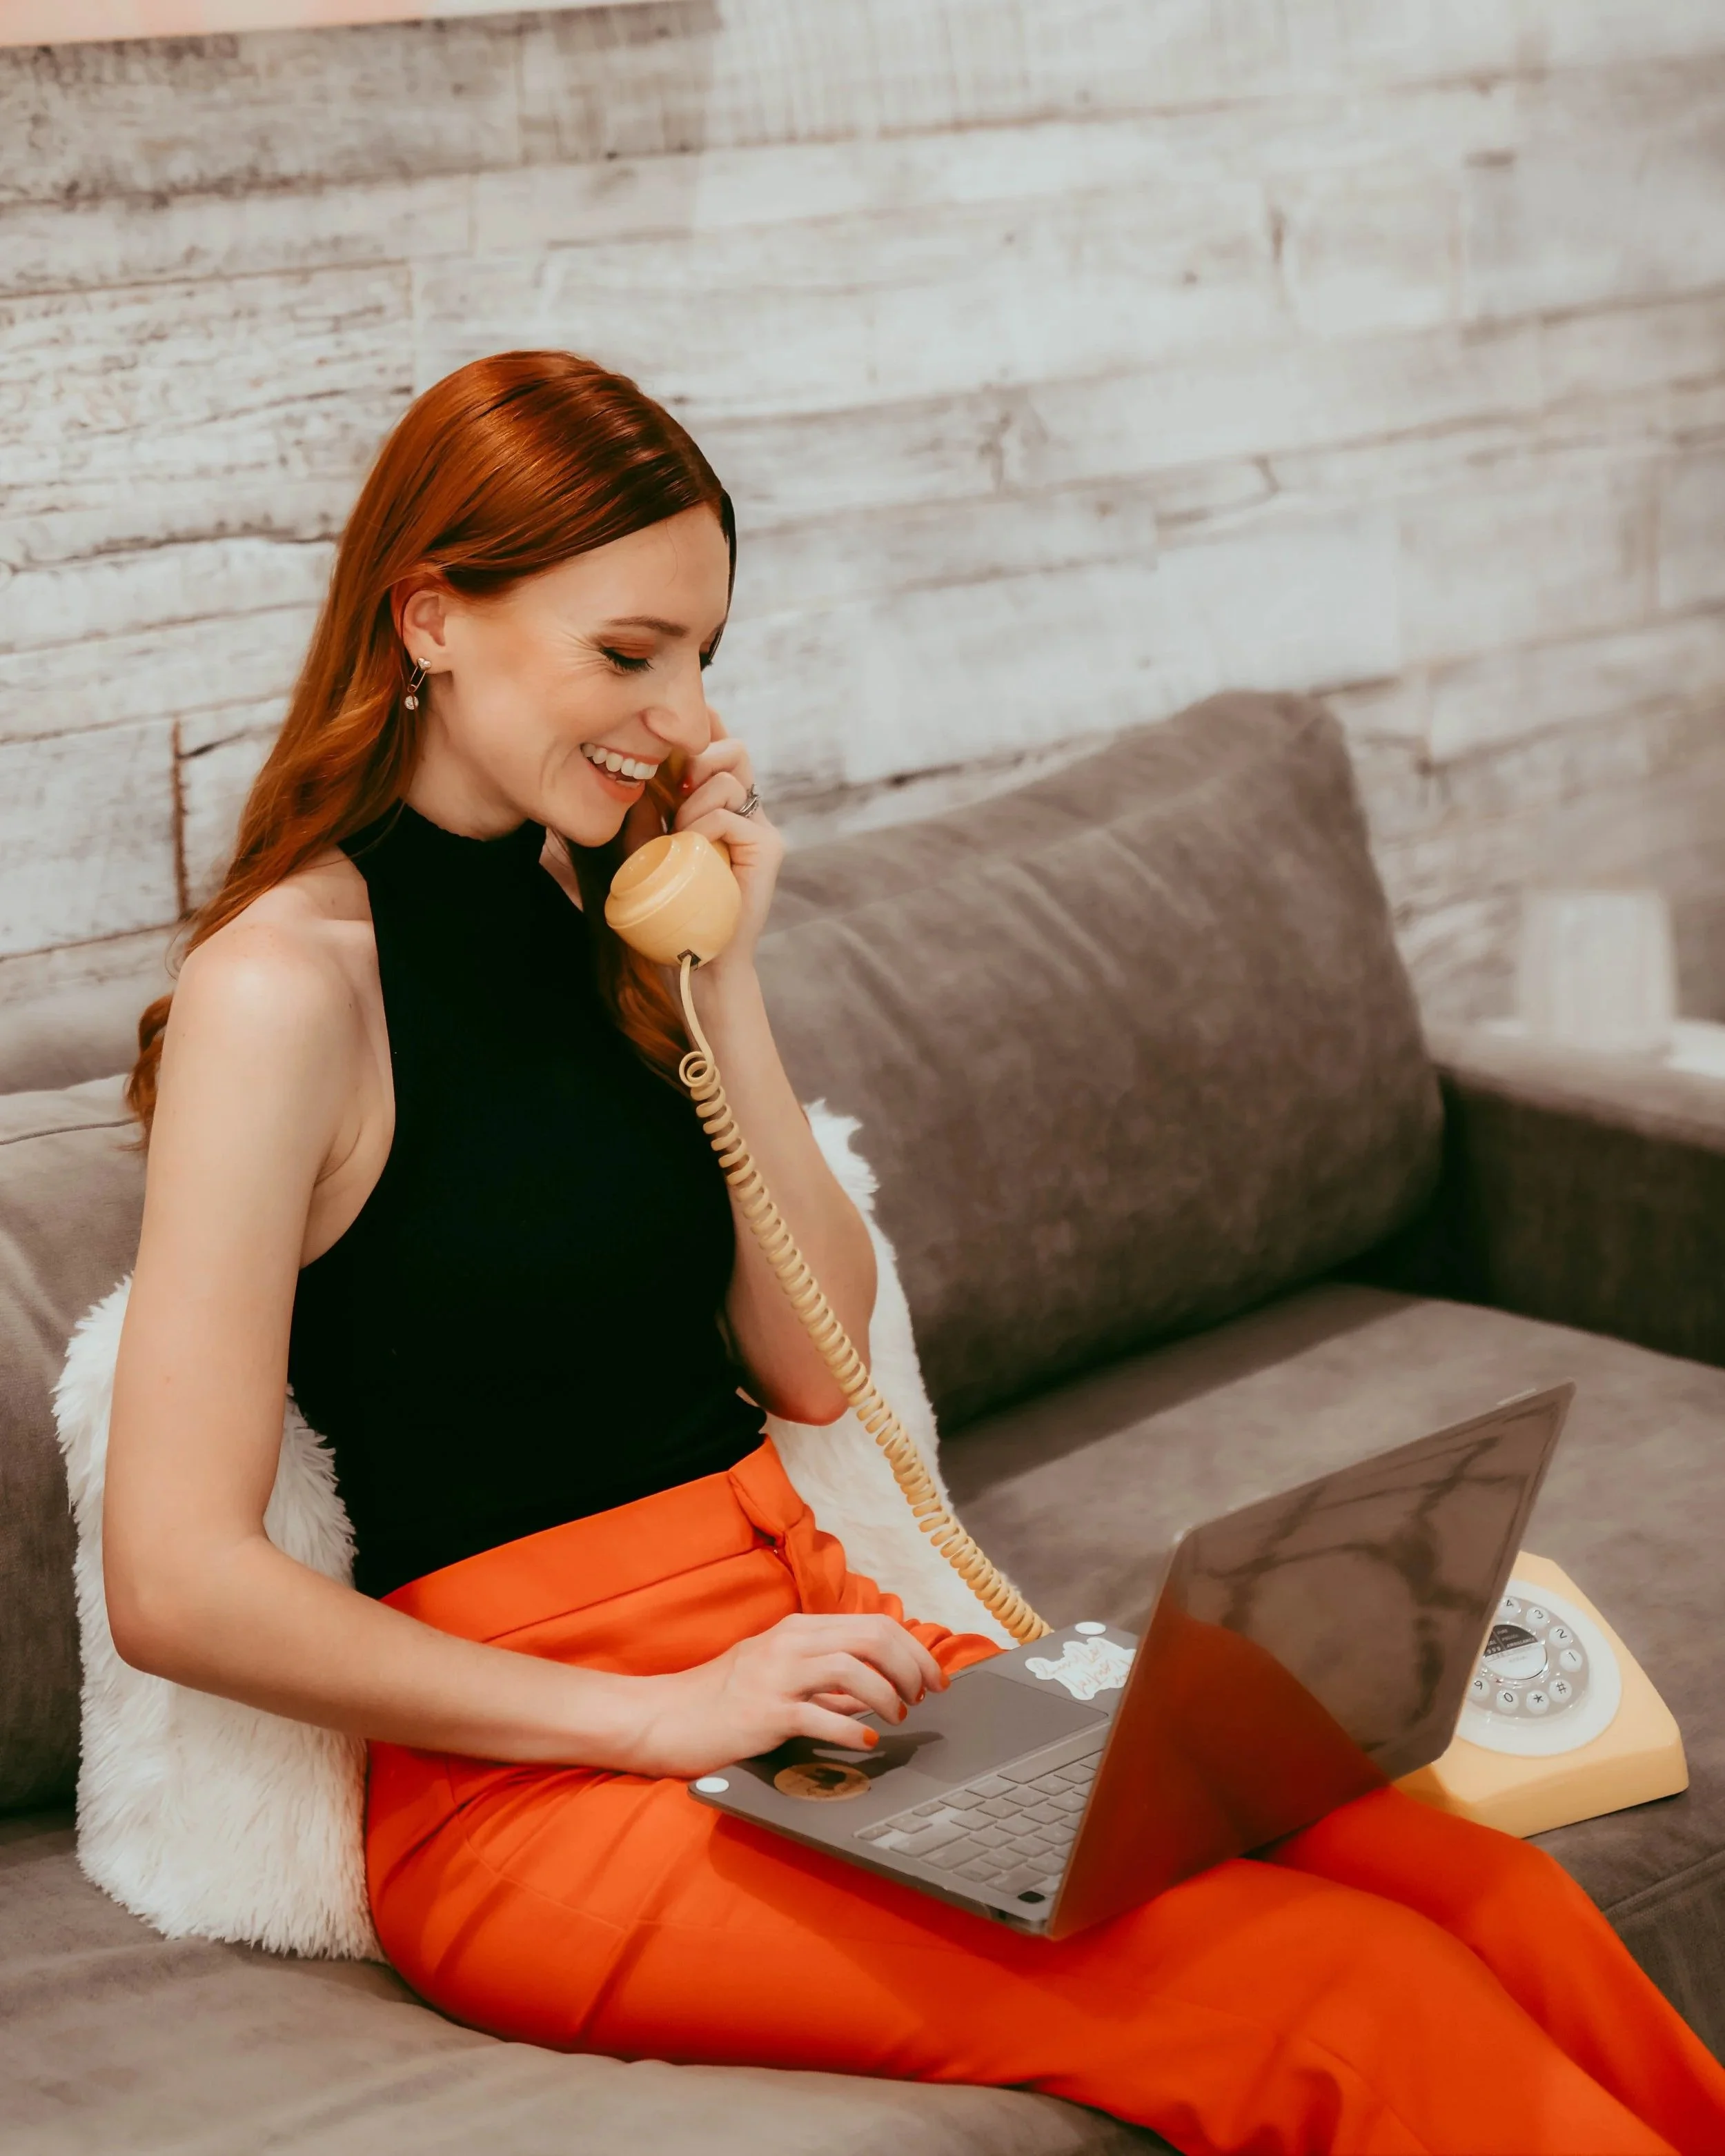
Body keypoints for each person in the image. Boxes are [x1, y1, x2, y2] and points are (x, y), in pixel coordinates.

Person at [105, 350, 1725, 2156]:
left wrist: (717, 975)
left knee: (1473, 1889)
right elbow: (173, 1580)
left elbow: (812, 1364)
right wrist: (656, 1716)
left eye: (704, 653)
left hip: (829, 1668)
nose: (682, 710)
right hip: (548, 1789)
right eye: (628, 653)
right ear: (429, 617)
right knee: (1339, 1994)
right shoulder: (284, 987)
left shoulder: (599, 910)